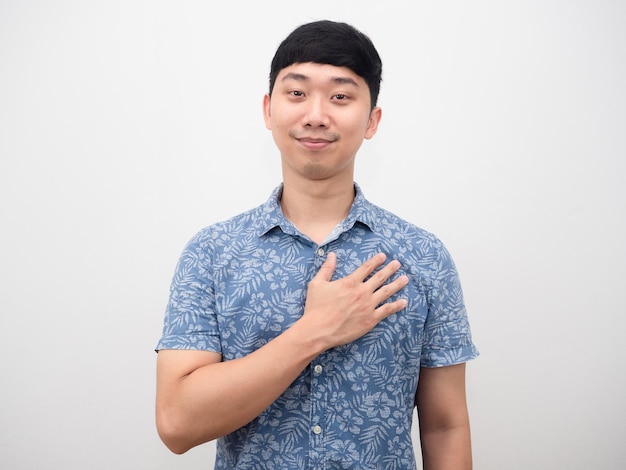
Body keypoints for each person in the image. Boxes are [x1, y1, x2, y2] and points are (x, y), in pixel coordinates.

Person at [155, 20, 479, 469]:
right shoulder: (212, 253)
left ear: (372, 120)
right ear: (268, 110)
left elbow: (445, 426)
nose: (316, 115)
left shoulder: (423, 256)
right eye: (297, 93)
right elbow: (176, 423)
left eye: (341, 96)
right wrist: (315, 331)